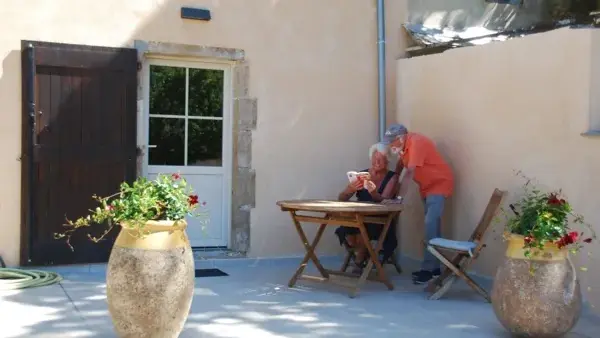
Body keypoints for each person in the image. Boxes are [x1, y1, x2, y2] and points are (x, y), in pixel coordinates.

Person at [382, 124, 454, 285]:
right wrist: (393, 180)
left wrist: (399, 198)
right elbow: (401, 166)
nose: (390, 145)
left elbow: (409, 171)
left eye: (392, 141)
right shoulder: (403, 147)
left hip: (439, 184)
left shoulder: (416, 142)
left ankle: (428, 270)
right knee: (432, 228)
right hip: (426, 188)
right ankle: (435, 268)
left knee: (430, 224)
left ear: (401, 138)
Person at [335, 143, 399, 272]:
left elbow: (384, 200)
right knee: (347, 227)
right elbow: (341, 198)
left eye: (381, 159)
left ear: (388, 160)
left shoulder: (392, 177)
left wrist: (373, 193)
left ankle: (359, 259)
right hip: (360, 215)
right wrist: (350, 188)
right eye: (375, 158)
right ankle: (365, 253)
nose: (377, 162)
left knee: (363, 228)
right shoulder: (362, 174)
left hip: (381, 218)